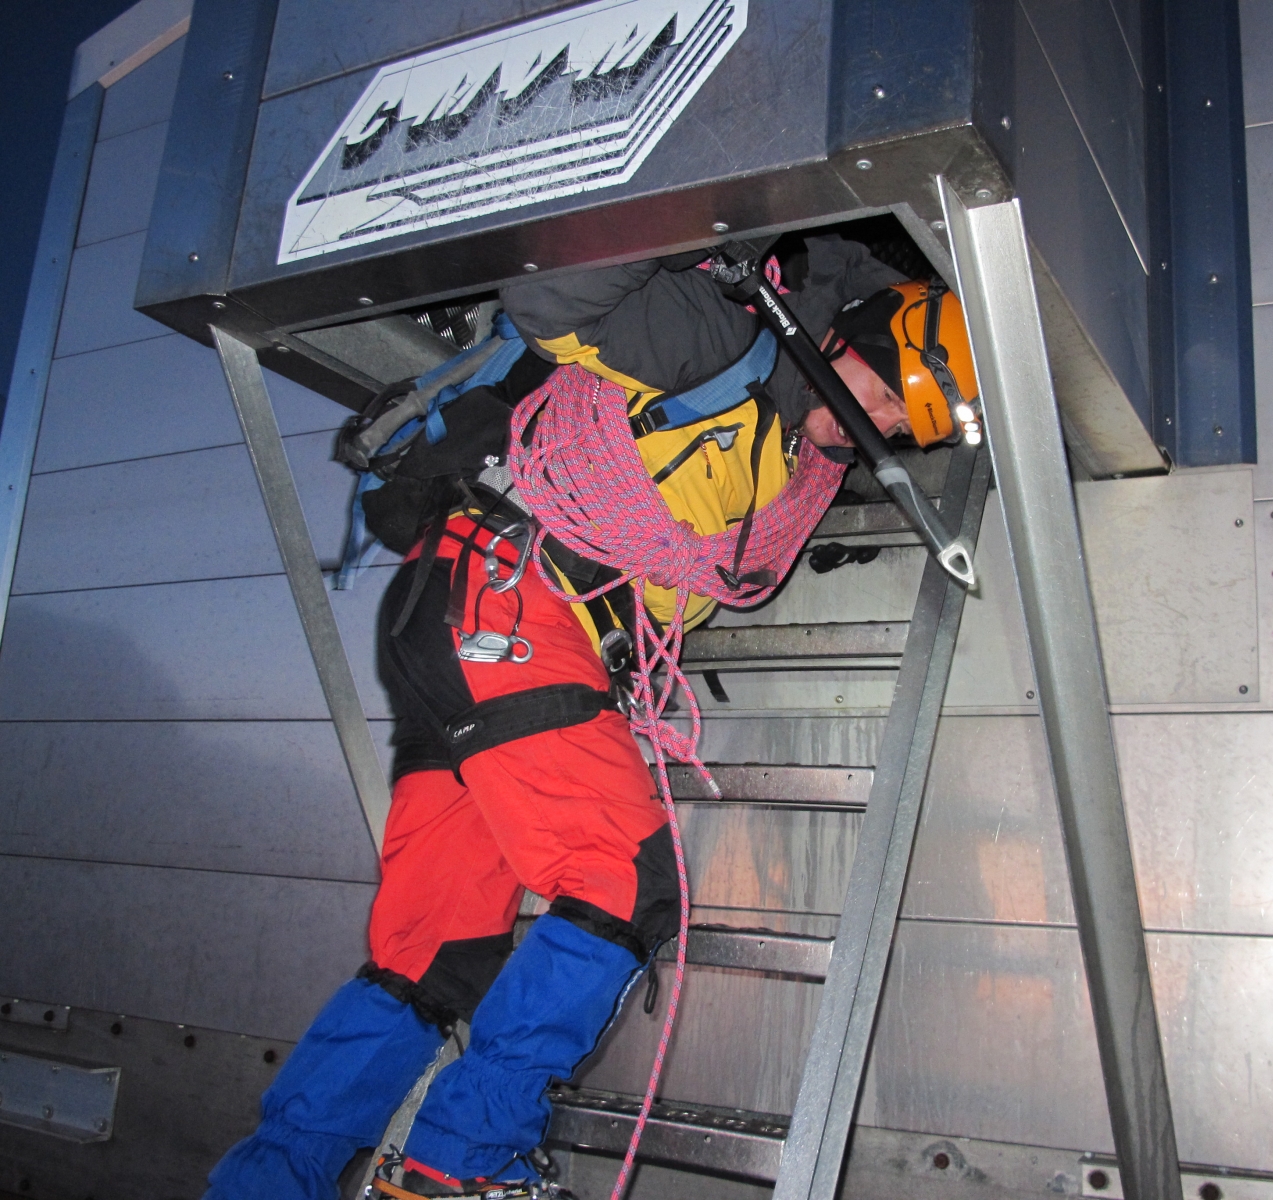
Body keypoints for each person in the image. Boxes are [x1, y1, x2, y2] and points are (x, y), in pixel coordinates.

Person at [204, 235, 978, 1200]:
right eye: (893, 399)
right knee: (622, 879)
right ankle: (461, 1164)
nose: (885, 428)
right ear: (858, 336)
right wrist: (703, 215)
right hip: (509, 604)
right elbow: (551, 295)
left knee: (434, 953)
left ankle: (267, 1183)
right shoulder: (717, 336)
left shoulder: (788, 444)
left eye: (906, 428)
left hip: (460, 620)